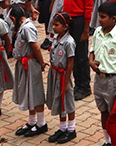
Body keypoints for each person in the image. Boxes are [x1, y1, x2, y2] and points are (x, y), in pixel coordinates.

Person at [90, 1, 116, 146]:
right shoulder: (97, 32)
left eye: (103, 17)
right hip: (99, 79)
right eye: (99, 16)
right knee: (103, 110)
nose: (100, 20)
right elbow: (92, 50)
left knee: (115, 113)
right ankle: (107, 140)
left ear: (113, 19)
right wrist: (91, 61)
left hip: (113, 80)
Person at [9, 5, 48, 138]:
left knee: (35, 92)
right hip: (23, 64)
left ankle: (42, 123)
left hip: (31, 64)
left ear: (14, 18)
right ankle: (32, 121)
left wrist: (42, 63)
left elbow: (35, 47)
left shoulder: (27, 27)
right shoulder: (23, 27)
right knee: (28, 92)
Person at [63, 0, 94, 101]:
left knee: (81, 55)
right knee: (71, 53)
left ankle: (84, 86)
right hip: (69, 20)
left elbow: (88, 8)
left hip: (81, 20)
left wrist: (86, 29)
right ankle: (76, 83)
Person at [46, 12, 76, 143]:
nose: (54, 27)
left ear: (65, 26)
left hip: (64, 75)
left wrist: (66, 81)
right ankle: (62, 128)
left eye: (57, 25)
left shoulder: (69, 42)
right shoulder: (56, 38)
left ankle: (71, 129)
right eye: (53, 24)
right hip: (54, 74)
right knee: (59, 101)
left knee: (67, 101)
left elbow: (70, 63)